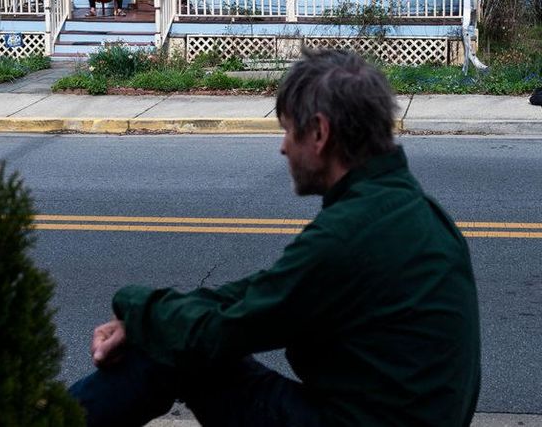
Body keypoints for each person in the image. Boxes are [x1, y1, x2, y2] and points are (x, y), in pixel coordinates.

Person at [69, 48, 482, 427]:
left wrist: (138, 310)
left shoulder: (350, 233)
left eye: (287, 130)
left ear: (319, 134)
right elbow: (260, 294)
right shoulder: (415, 211)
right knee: (176, 333)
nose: (283, 148)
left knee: (178, 349)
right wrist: (152, 317)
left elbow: (230, 327)